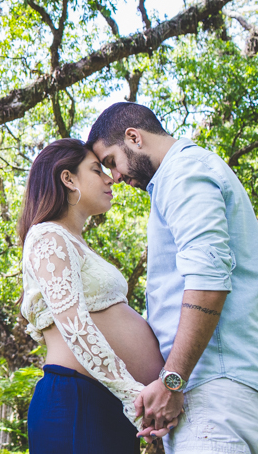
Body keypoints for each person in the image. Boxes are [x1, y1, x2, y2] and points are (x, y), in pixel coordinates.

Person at [87, 102, 258, 454]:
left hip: (215, 390)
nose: (114, 176)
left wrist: (172, 382)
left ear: (134, 137)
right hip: (223, 390)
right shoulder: (185, 173)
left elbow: (208, 281)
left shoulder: (183, 172)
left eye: (112, 161)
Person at [19, 138, 171, 453]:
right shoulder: (48, 236)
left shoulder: (74, 243)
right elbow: (75, 327)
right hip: (77, 401)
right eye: (96, 170)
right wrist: (133, 397)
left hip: (100, 400)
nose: (109, 178)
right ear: (68, 178)